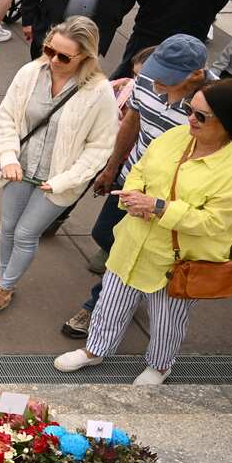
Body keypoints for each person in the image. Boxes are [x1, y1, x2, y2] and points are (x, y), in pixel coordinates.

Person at [55, 78, 232, 384]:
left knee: (168, 318)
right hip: (134, 239)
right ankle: (95, 350)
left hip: (179, 258)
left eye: (201, 116)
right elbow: (140, 169)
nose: (190, 119)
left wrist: (158, 207)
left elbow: (214, 221)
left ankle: (160, 365)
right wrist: (133, 197)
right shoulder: (176, 136)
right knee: (110, 301)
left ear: (229, 122)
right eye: (189, 109)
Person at [61, 36, 211, 340]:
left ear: (195, 75)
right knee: (103, 234)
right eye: (155, 75)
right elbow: (133, 119)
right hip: (133, 178)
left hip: (167, 198)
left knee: (124, 253)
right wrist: (112, 166)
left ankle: (98, 306)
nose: (155, 85)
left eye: (166, 80)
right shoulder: (147, 80)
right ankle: (133, 279)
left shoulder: (212, 104)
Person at [0, 16, 118, 316]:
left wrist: (66, 181)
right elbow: (7, 117)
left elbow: (100, 147)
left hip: (58, 179)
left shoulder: (99, 91)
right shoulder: (30, 72)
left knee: (26, 233)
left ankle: (4, 288)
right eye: (49, 50)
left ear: (86, 57)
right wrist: (9, 157)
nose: (53, 60)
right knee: (8, 228)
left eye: (64, 56)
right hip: (20, 168)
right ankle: (4, 280)